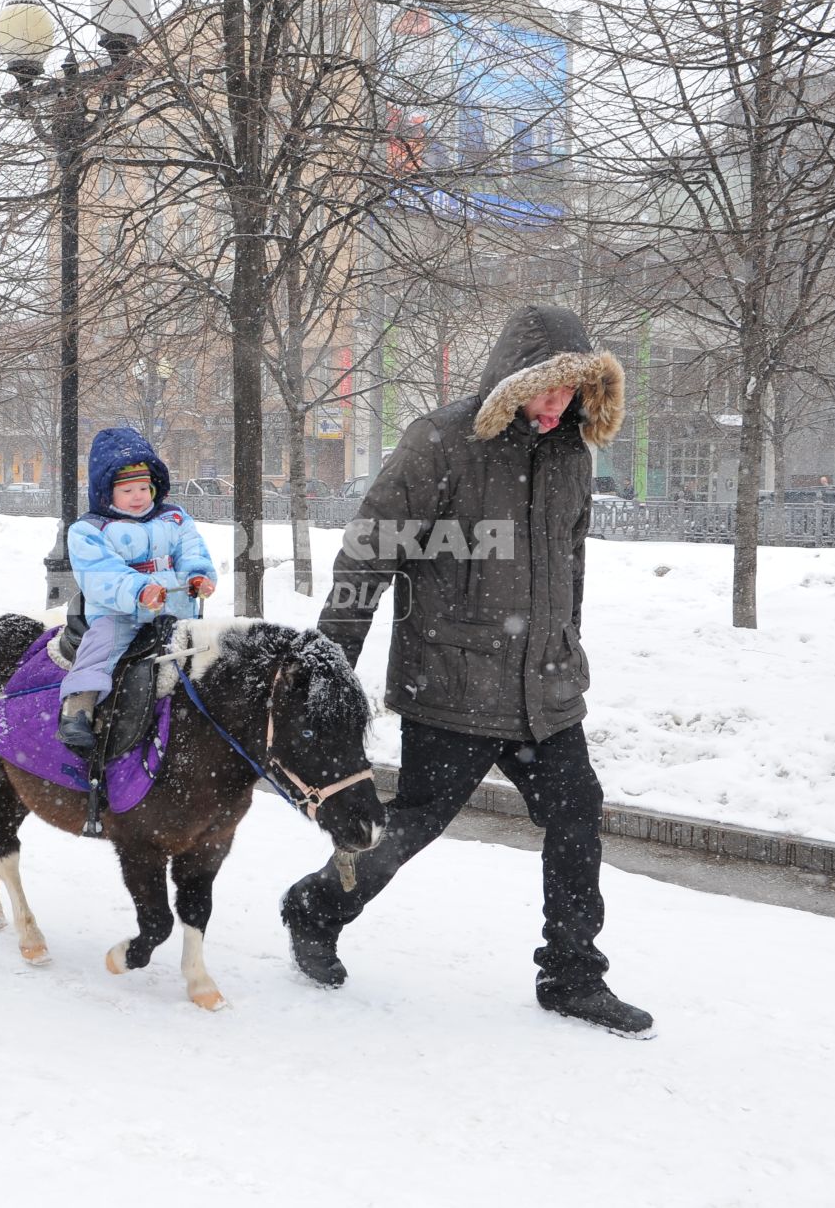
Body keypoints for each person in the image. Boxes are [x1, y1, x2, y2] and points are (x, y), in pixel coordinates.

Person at [279, 304, 655, 1038]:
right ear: (513, 379)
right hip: (451, 683)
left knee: (577, 811)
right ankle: (317, 906)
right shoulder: (442, 443)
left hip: (544, 690)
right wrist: (329, 663)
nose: (557, 404)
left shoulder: (572, 454)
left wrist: (565, 649)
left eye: (572, 390)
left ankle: (572, 972)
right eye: (546, 388)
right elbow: (369, 548)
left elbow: (567, 566)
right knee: (412, 823)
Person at [57, 426, 217, 750]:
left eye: (144, 487)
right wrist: (139, 590)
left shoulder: (173, 518)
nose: (138, 496)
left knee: (208, 650)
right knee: (103, 645)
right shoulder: (90, 530)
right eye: (127, 490)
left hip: (177, 609)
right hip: (120, 612)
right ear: (106, 493)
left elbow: (191, 547)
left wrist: (197, 575)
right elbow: (101, 573)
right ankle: (79, 706)